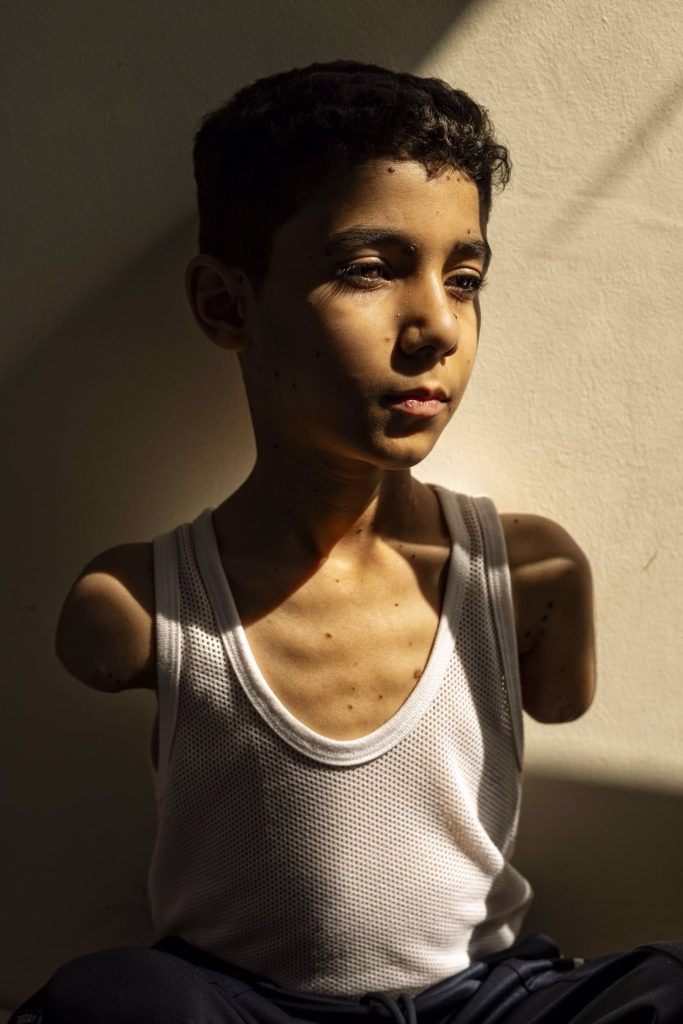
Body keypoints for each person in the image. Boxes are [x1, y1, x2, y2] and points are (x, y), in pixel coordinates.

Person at [11, 59, 682, 1023]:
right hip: (249, 1006)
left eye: (464, 278)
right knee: (111, 1000)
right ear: (226, 305)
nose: (435, 326)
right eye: (368, 270)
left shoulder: (526, 576)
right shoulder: (140, 604)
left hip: (484, 1003)